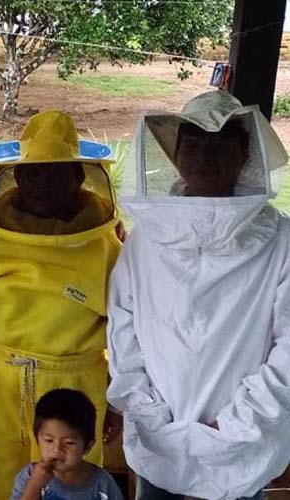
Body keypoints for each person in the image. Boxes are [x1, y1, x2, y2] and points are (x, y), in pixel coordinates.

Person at [107, 90, 290, 499]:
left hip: (241, 440)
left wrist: (235, 424)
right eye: (193, 142)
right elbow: (124, 326)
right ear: (174, 153)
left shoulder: (281, 242)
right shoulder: (146, 240)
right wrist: (149, 410)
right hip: (159, 432)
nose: (205, 153)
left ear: (246, 151)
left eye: (221, 141)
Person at [0, 110, 122, 500]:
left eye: (57, 172)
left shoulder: (106, 250)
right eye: (35, 172)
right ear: (17, 176)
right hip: (0, 381)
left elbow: (129, 331)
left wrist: (119, 397)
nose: (43, 183)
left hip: (77, 384)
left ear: (80, 177)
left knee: (74, 481)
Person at [12, 389, 124, 500]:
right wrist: (34, 487)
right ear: (37, 439)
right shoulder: (29, 477)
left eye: (69, 443)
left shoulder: (102, 484)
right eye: (49, 440)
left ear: (88, 446)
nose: (57, 449)